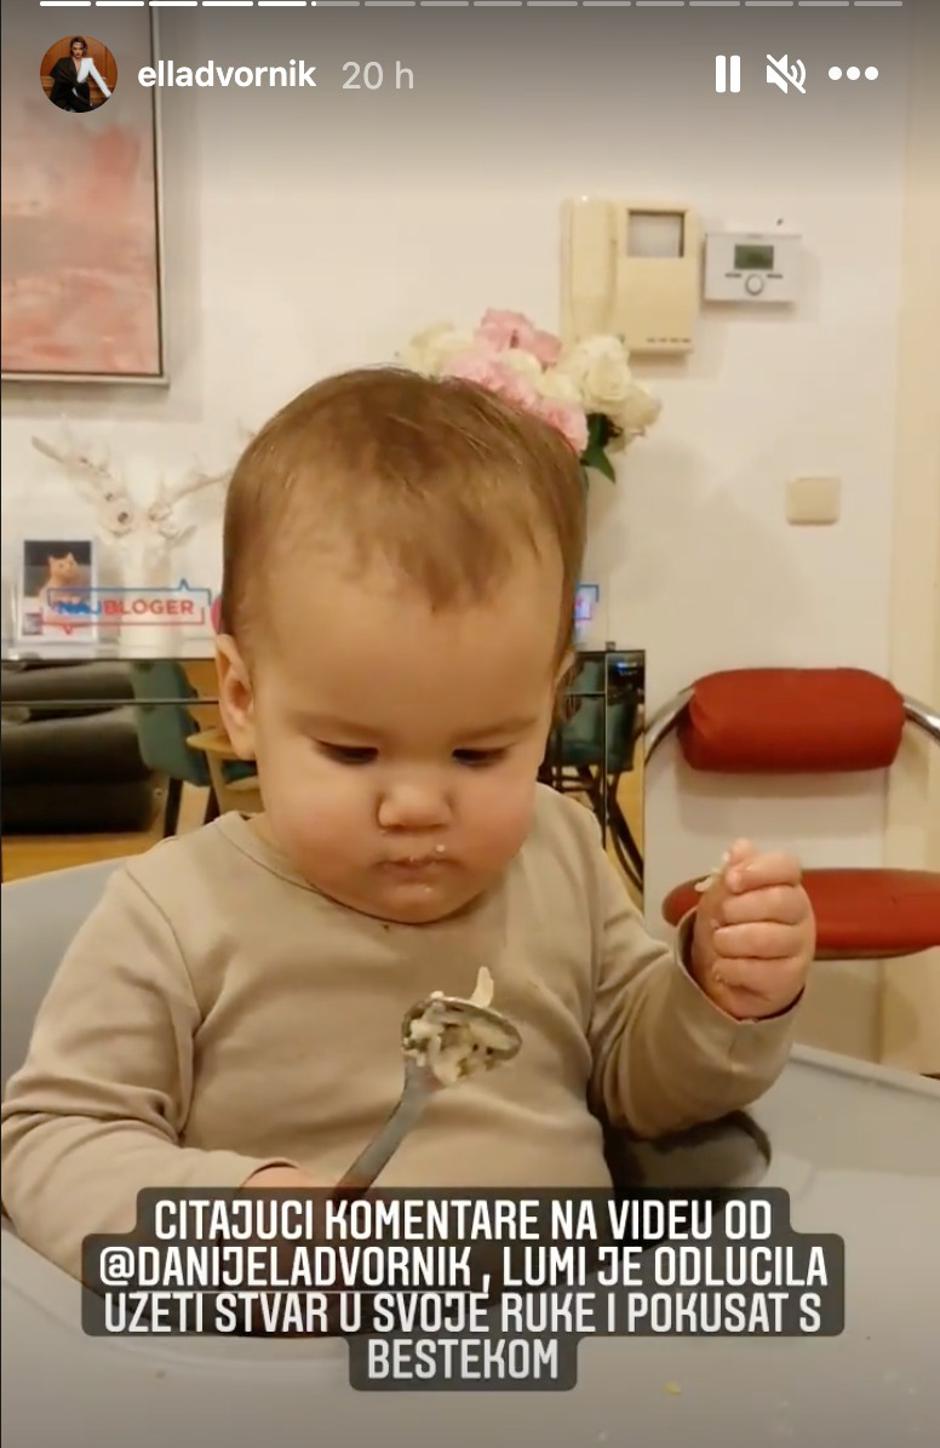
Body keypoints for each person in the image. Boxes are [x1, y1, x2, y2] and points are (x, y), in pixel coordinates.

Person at [0, 369, 815, 1281]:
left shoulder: (559, 854)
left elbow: (643, 1090)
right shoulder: (173, 912)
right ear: (243, 698)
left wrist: (717, 994)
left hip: (572, 1335)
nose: (419, 805)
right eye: (352, 753)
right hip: (299, 1352)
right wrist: (229, 1223)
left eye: (479, 753)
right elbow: (53, 1143)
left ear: (548, 706)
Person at [47, 37, 112, 113]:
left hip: (80, 95)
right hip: (64, 93)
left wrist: (108, 95)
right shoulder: (63, 62)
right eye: (75, 49)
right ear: (71, 49)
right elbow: (59, 81)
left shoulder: (88, 62)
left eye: (80, 49)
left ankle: (72, 108)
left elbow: (98, 79)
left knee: (87, 110)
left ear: (84, 49)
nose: (77, 52)